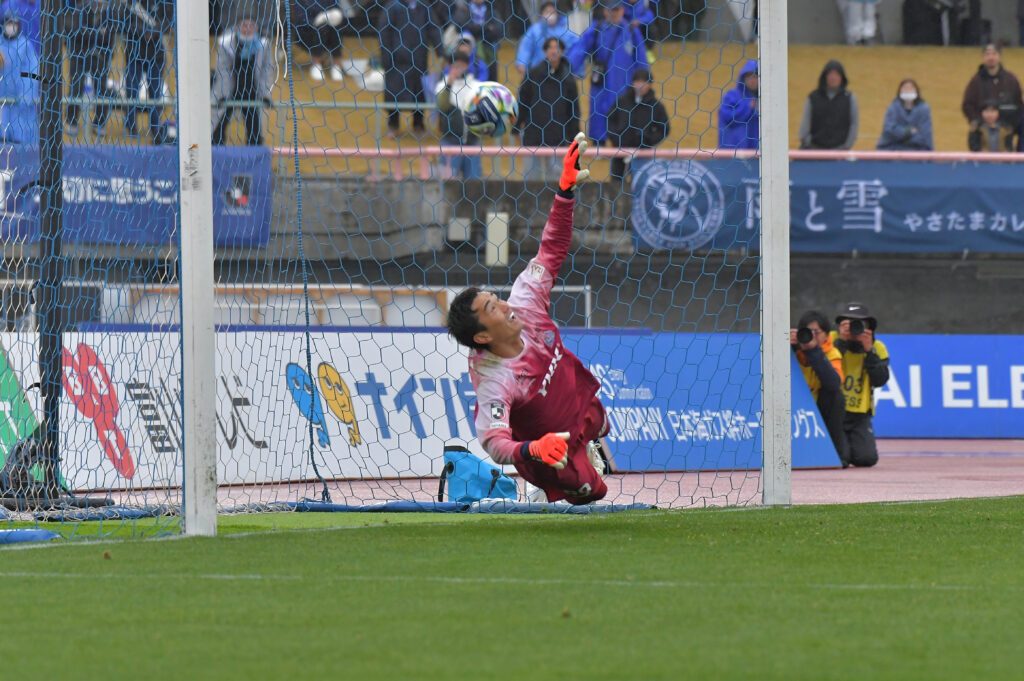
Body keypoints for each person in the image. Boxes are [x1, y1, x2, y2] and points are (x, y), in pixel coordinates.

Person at [446, 134, 612, 505]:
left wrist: (565, 192)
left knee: (603, 425)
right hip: (551, 447)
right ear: (483, 338)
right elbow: (495, 442)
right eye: (492, 309)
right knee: (592, 494)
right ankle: (541, 489)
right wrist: (533, 449)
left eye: (496, 298)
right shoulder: (495, 379)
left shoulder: (525, 300)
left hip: (578, 400)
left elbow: (551, 249)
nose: (505, 305)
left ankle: (591, 446)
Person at [567, 0, 647, 145]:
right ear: (605, 11)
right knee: (599, 112)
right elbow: (581, 48)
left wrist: (643, 79)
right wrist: (566, 68)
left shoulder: (631, 31)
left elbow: (640, 56)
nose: (613, 13)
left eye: (616, 10)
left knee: (624, 114)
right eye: (610, 10)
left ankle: (623, 145)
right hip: (602, 81)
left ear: (622, 11)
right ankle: (600, 145)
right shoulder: (596, 29)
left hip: (625, 82)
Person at [831, 302, 889, 468]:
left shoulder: (877, 347)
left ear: (869, 327)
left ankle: (849, 447)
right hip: (834, 411)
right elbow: (825, 370)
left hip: (860, 415)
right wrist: (842, 342)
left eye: (860, 324)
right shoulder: (832, 340)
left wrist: (869, 351)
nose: (855, 328)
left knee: (866, 459)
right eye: (850, 323)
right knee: (840, 459)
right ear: (841, 325)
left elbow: (880, 380)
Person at [516, 37, 580, 181]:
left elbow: (573, 110)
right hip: (534, 134)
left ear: (562, 51)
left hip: (557, 136)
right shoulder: (533, 74)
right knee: (531, 178)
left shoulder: (568, 79)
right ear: (545, 51)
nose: (554, 51)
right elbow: (523, 101)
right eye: (550, 47)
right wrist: (517, 125)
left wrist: (574, 136)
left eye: (557, 48)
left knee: (556, 179)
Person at [792, 310, 848, 467]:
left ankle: (835, 452)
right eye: (807, 332)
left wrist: (813, 350)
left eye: (816, 332)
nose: (811, 336)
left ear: (826, 335)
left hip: (820, 411)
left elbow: (834, 383)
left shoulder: (832, 353)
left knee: (836, 396)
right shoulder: (792, 350)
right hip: (794, 408)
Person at [380, 0, 442, 138]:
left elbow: (434, 29)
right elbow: (384, 32)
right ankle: (393, 125)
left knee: (418, 93)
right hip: (396, 61)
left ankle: (418, 125)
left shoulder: (424, 7)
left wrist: (441, 52)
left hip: (418, 60)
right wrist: (387, 57)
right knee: (394, 94)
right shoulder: (393, 7)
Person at [211, 13, 275, 146]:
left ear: (257, 28)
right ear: (237, 27)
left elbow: (267, 70)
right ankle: (216, 151)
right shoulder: (226, 43)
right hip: (230, 90)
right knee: (219, 124)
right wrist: (223, 93)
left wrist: (265, 94)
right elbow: (222, 69)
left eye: (251, 26)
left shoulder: (264, 44)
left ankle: (254, 153)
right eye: (244, 25)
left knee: (254, 126)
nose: (247, 29)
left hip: (252, 90)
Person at [606, 68, 668, 182]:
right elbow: (609, 119)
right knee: (616, 183)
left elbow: (664, 128)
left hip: (642, 153)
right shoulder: (622, 101)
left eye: (644, 82)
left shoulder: (656, 106)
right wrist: (616, 138)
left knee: (640, 182)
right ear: (633, 83)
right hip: (620, 150)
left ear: (650, 84)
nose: (640, 85)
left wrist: (648, 141)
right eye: (638, 82)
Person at [434, 51, 481, 179]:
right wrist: (449, 84)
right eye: (455, 65)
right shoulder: (442, 85)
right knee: (448, 181)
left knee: (473, 181)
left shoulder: (476, 86)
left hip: (472, 141)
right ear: (449, 66)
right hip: (450, 141)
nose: (458, 69)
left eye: (462, 65)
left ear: (467, 66)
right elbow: (442, 106)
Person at [961, 43, 1024, 135]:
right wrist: (977, 121)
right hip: (982, 130)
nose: (991, 58)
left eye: (994, 54)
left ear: (1000, 56)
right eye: (987, 54)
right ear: (983, 57)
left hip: (1007, 128)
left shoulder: (1011, 80)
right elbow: (967, 105)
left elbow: (1019, 104)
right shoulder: (976, 81)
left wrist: (1010, 126)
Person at [798, 59, 858, 150]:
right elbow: (805, 125)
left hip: (841, 151)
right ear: (825, 76)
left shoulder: (849, 98)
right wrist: (809, 144)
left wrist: (846, 147)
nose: (833, 78)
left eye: (836, 74)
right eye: (830, 74)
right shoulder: (813, 97)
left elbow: (854, 125)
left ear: (842, 77)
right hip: (814, 149)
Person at [291, 0, 353, 83]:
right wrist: (317, 20)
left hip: (329, 30)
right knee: (321, 29)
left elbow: (338, 10)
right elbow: (300, 19)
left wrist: (333, 16)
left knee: (336, 29)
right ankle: (317, 64)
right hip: (306, 31)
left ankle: (336, 65)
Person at [0, 12, 37, 144]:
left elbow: (32, 71)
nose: (12, 27)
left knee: (19, 137)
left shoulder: (25, 45)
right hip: (2, 103)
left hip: (19, 104)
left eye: (15, 24)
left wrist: (27, 94)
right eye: (9, 23)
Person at [515, 1, 578, 76]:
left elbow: (576, 48)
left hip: (560, 71)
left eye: (552, 12)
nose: (550, 14)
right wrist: (522, 63)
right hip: (538, 70)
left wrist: (575, 67)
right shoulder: (535, 30)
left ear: (558, 14)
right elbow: (526, 47)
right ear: (541, 14)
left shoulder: (565, 31)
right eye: (547, 12)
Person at [876, 78, 933, 151]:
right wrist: (909, 131)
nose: (908, 90)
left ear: (916, 91)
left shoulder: (924, 109)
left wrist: (900, 136)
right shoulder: (892, 108)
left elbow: (924, 135)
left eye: (911, 88)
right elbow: (889, 131)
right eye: (905, 88)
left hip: (917, 150)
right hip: (892, 149)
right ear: (900, 91)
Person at [717, 58, 758, 150]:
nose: (752, 80)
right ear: (743, 78)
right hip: (732, 151)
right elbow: (726, 117)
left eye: (756, 76)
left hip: (758, 152)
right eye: (749, 76)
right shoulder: (731, 95)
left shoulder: (766, 100)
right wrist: (748, 108)